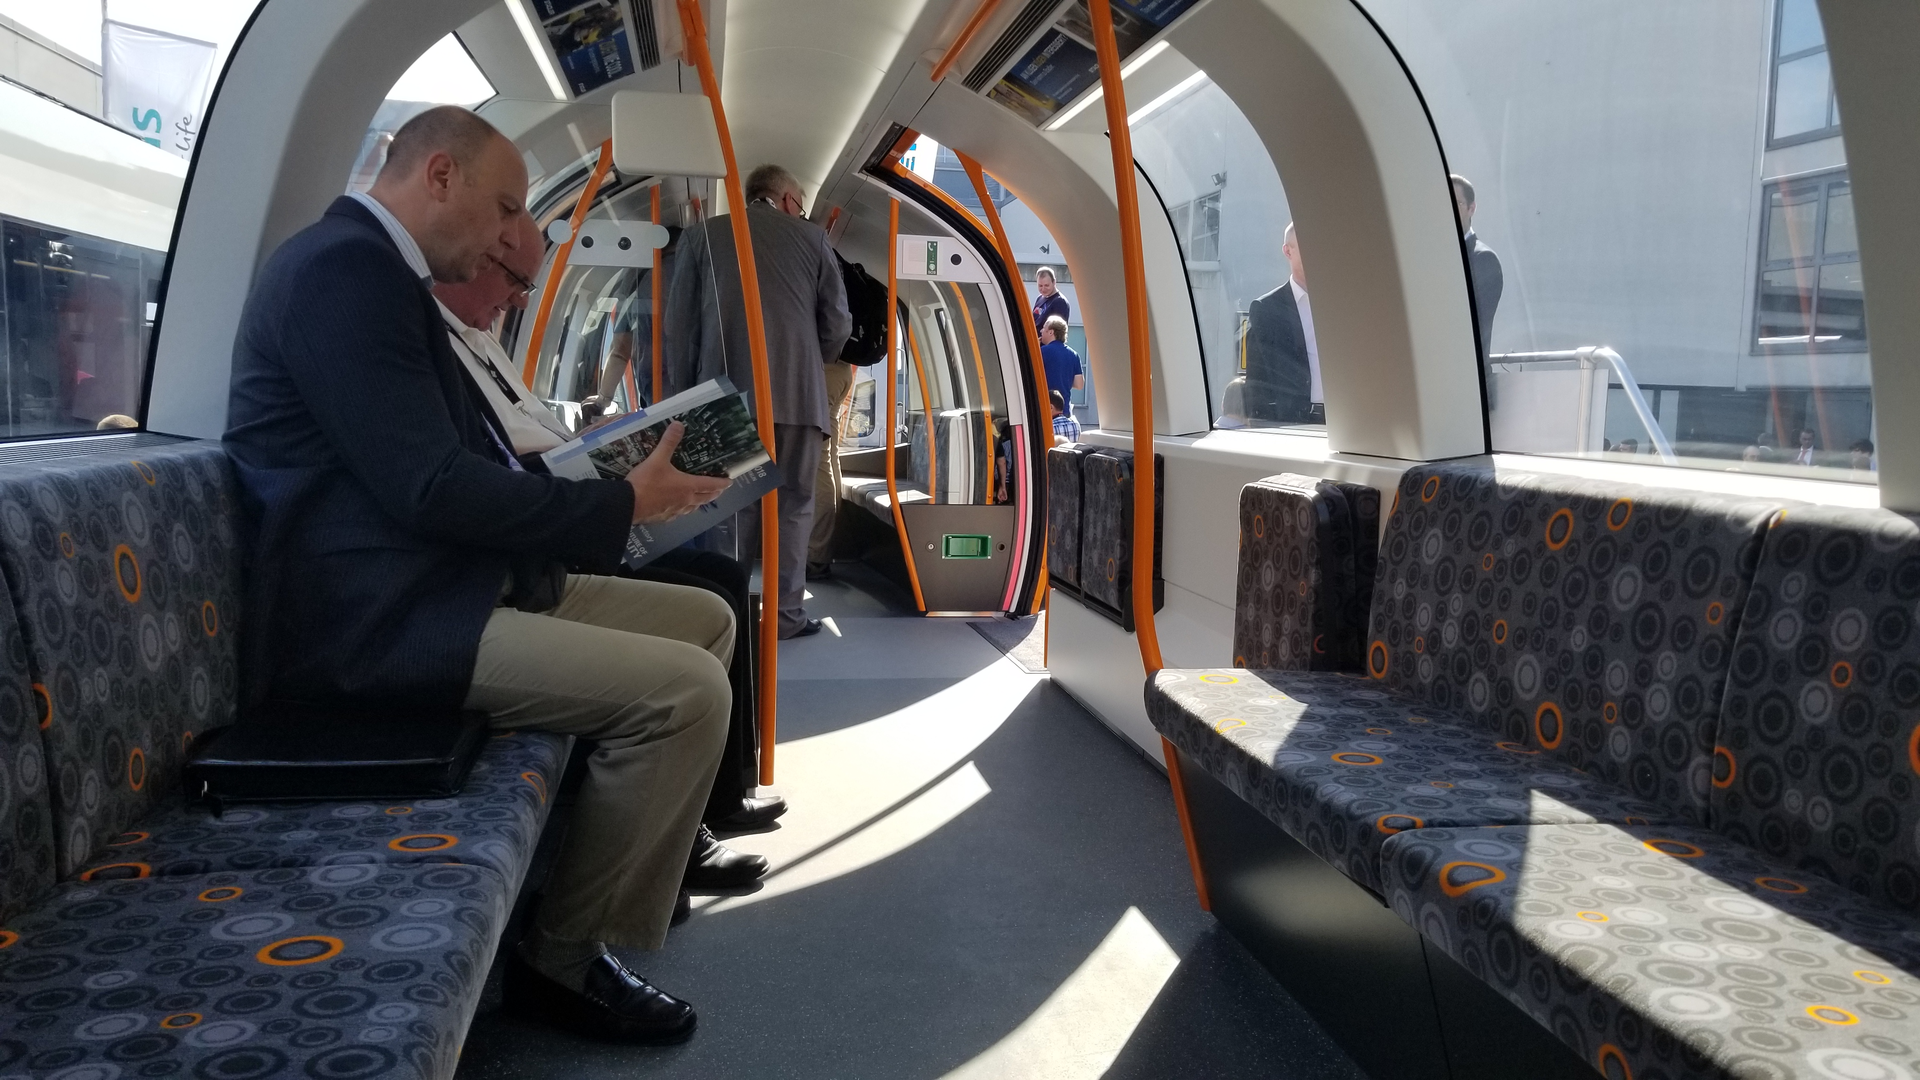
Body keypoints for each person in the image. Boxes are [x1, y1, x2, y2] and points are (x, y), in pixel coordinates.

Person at [225, 105, 732, 1044]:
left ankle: (610, 872)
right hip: (372, 620)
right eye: (503, 206)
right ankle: (564, 957)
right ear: (439, 176)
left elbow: (462, 467)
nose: (508, 232)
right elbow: (429, 488)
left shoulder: (377, 278)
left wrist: (609, 496)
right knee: (689, 692)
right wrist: (621, 508)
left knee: (706, 620)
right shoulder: (343, 275)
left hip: (431, 583)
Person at [432, 213, 787, 857]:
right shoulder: (436, 343)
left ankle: (713, 800)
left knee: (720, 582)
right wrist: (615, 496)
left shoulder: (482, 343)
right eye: (515, 282)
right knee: (715, 590)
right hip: (546, 527)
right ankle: (693, 826)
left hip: (561, 504)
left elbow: (528, 438)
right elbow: (481, 478)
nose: (517, 301)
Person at [665, 163, 851, 639]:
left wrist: (686, 401)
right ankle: (786, 617)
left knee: (730, 510)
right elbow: (838, 324)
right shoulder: (813, 240)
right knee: (794, 506)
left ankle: (728, 615)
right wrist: (807, 362)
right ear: (789, 200)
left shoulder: (702, 237)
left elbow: (680, 328)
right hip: (799, 399)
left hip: (724, 399)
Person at [1242, 222, 1321, 424]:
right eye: (1305, 244)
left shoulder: (1342, 302)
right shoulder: (1267, 309)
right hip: (1292, 423)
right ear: (1288, 251)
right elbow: (1257, 381)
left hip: (1342, 422)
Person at [807, 358, 855, 580]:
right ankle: (820, 552)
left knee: (818, 462)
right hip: (836, 368)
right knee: (827, 457)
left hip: (823, 367)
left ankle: (816, 555)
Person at [1452, 174, 1504, 365]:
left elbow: (1469, 326)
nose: (1447, 208)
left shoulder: (1484, 259)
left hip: (1467, 379)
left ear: (1471, 208)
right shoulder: (1431, 259)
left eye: (1455, 202)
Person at [1040, 314, 1081, 400]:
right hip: (1065, 408)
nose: (1041, 331)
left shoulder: (1041, 352)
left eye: (1044, 328)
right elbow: (1079, 384)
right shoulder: (1074, 355)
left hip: (1045, 405)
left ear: (1051, 332)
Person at [1032, 266, 1069, 331]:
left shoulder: (1060, 302)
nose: (1043, 289)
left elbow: (1057, 331)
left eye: (1046, 285)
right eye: (1040, 286)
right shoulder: (1039, 298)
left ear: (1054, 282)